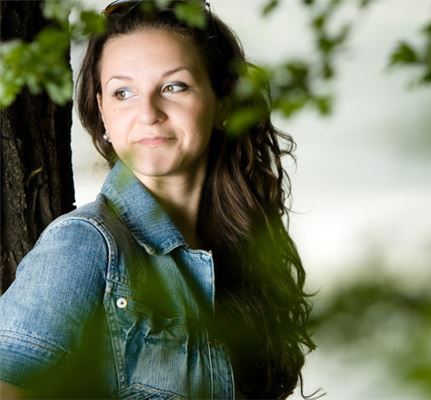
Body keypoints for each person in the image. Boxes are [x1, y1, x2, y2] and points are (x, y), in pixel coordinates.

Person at [0, 0, 316, 398]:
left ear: (222, 102)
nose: (148, 113)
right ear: (103, 112)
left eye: (173, 87)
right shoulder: (84, 244)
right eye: (123, 92)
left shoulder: (239, 255)